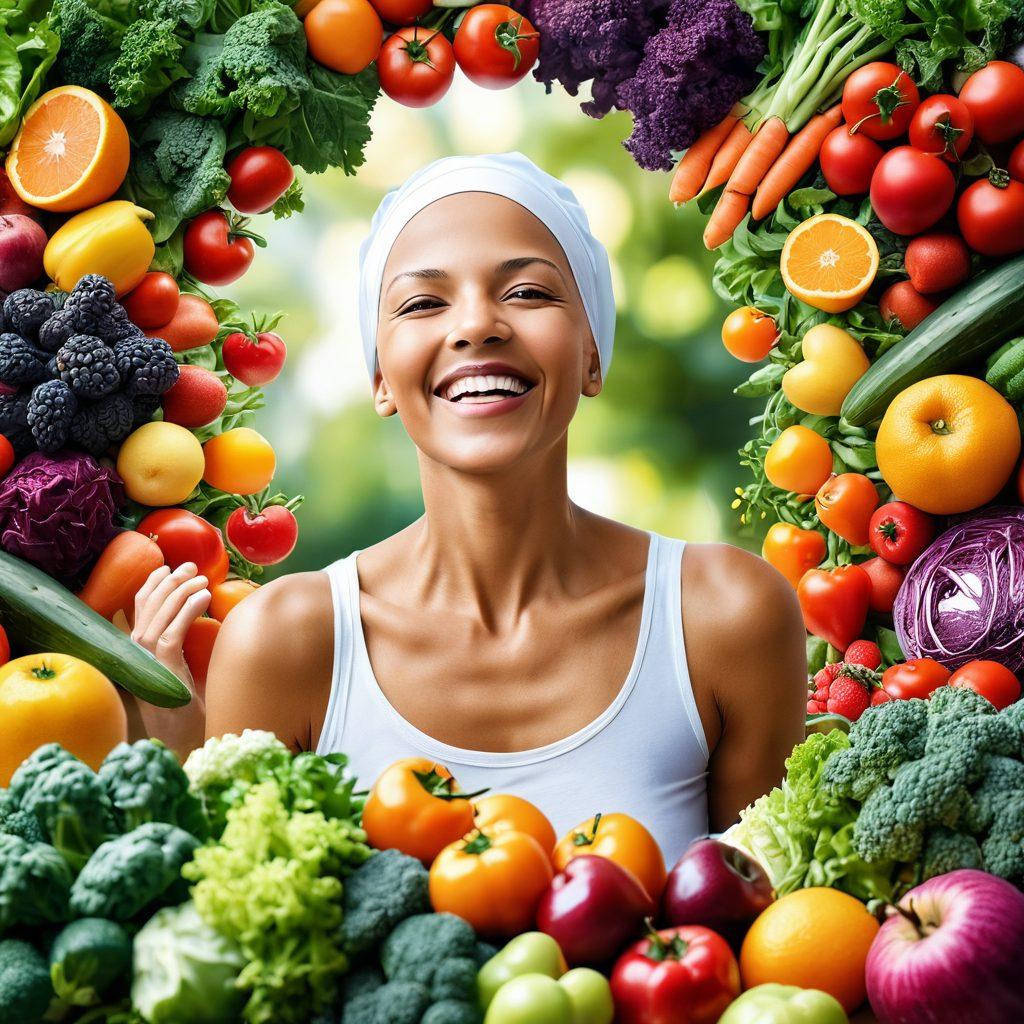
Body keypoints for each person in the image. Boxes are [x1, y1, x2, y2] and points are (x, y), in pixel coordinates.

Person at [128, 152, 806, 861]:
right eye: (424, 303)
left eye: (529, 293)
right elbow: (252, 932)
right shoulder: (287, 646)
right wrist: (184, 755)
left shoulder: (723, 617)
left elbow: (772, 932)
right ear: (382, 379)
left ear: (592, 355)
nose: (477, 324)